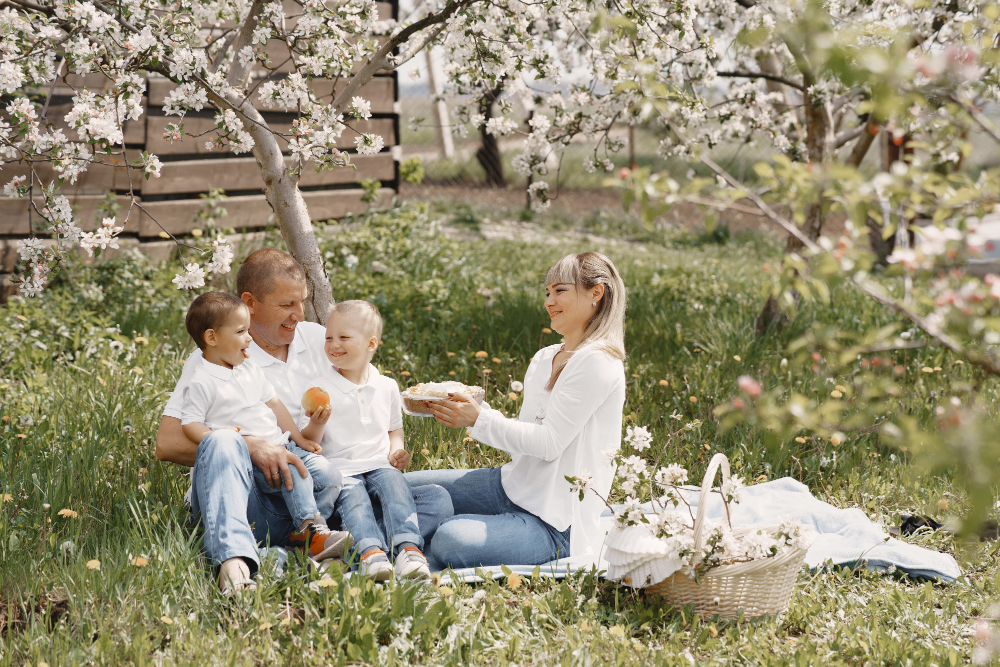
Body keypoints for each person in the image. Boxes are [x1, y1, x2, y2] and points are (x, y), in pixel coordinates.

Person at [155, 248, 453, 593]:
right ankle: (249, 558)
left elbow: (368, 383)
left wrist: (425, 404)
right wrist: (250, 447)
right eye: (287, 305)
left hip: (323, 491)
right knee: (225, 441)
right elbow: (168, 444)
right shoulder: (213, 359)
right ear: (250, 303)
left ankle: (303, 553)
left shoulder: (317, 339)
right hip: (254, 501)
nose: (299, 314)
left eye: (302, 302)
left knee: (434, 499)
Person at [406, 252, 627, 570]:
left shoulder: (598, 362)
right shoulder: (546, 357)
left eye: (560, 290)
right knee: (401, 486)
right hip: (510, 486)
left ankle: (406, 536)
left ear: (596, 292)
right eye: (547, 292)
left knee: (450, 539)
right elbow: (528, 441)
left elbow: (549, 444)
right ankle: (359, 529)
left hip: (554, 524)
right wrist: (473, 409)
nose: (549, 301)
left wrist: (479, 419)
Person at [179, 291, 349, 566]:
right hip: (246, 462)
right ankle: (308, 531)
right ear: (212, 338)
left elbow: (275, 405)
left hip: (282, 445)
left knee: (327, 476)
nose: (249, 338)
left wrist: (299, 439)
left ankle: (302, 534)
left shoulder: (249, 368)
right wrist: (220, 440)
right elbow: (190, 423)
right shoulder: (202, 381)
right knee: (294, 472)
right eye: (241, 332)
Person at [301, 300, 431, 581]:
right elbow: (308, 442)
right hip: (342, 469)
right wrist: (317, 423)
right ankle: (370, 553)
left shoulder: (387, 386)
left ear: (371, 344)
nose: (334, 344)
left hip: (380, 464)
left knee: (397, 489)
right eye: (329, 338)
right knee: (355, 501)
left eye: (344, 337)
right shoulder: (319, 388)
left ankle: (408, 549)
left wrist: (397, 450)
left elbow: (394, 429)